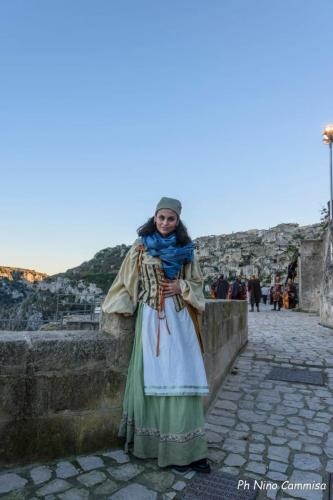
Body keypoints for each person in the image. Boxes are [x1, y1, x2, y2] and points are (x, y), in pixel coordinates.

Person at [102, 197, 210, 473]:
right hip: (150, 319)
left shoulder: (186, 249)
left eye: (170, 219)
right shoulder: (140, 248)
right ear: (154, 217)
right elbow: (125, 281)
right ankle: (152, 445)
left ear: (178, 221)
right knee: (152, 379)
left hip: (180, 319)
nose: (165, 223)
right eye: (161, 217)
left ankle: (187, 449)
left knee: (181, 379)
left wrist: (181, 286)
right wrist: (124, 306)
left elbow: (198, 285)